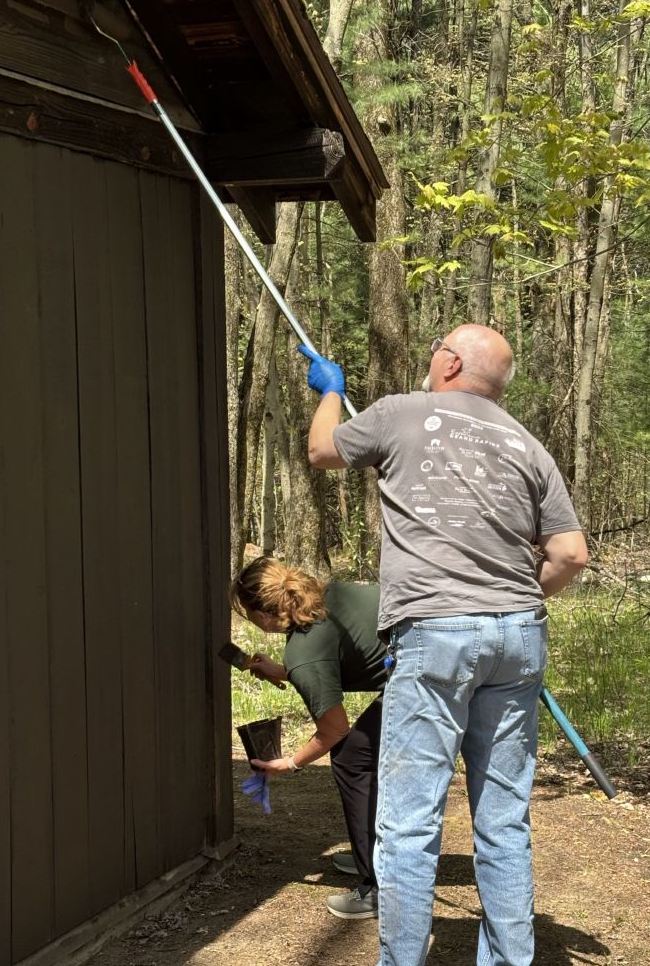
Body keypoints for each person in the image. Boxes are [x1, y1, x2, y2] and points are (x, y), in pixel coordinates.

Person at [298, 325, 588, 966]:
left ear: (451, 362)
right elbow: (570, 553)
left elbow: (321, 451)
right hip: (519, 635)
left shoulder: (404, 411)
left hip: (436, 633)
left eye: (436, 347)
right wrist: (514, 598)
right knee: (504, 818)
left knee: (408, 822)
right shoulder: (528, 445)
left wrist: (331, 392)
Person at [231, 556, 387, 920]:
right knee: (364, 754)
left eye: (247, 612)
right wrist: (285, 671)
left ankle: (379, 885)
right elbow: (335, 655)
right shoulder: (334, 595)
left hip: (430, 675)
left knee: (352, 757)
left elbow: (334, 730)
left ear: (264, 613)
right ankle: (375, 851)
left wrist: (289, 763)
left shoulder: (304, 652)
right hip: (447, 654)